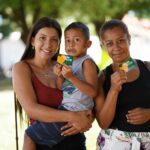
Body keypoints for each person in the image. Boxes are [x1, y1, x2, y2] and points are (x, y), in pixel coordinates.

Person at [12, 17, 93, 150]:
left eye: (54, 39)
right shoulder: (22, 67)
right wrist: (74, 116)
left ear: (59, 43)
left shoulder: (66, 64)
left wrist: (88, 118)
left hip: (74, 140)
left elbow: (87, 94)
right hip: (43, 143)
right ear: (33, 40)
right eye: (42, 38)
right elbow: (31, 109)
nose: (48, 44)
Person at [95, 19, 150, 150]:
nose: (116, 48)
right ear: (103, 45)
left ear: (129, 39)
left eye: (121, 40)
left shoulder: (147, 68)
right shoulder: (102, 78)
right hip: (114, 143)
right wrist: (113, 90)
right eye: (109, 43)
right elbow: (103, 123)